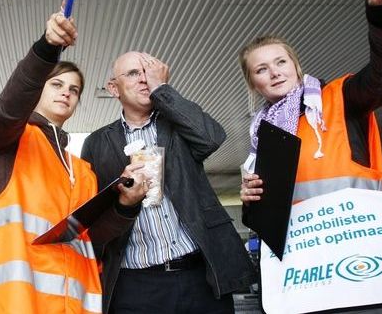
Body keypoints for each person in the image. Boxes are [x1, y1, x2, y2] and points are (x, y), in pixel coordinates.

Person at [0, 0, 148, 314]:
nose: (67, 93)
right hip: (17, 305)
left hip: (76, 305)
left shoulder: (82, 169)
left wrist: (125, 206)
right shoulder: (11, 139)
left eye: (74, 90)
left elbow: (92, 238)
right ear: (39, 87)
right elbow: (9, 108)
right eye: (57, 84)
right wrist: (47, 48)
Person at [81, 51, 255, 313]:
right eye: (133, 73)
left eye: (148, 71)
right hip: (135, 286)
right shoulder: (96, 143)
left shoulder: (177, 125)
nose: (143, 79)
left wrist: (162, 89)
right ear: (113, 88)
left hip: (199, 277)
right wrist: (124, 200)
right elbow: (93, 217)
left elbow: (212, 138)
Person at [240, 0, 382, 205]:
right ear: (252, 83)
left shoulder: (339, 97)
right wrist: (251, 201)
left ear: (296, 67)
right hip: (302, 241)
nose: (275, 72)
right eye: (261, 69)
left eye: (281, 62)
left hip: (358, 233)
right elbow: (269, 210)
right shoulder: (262, 135)